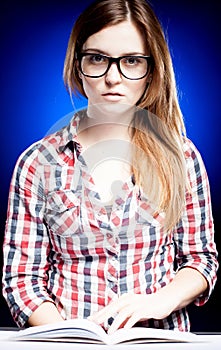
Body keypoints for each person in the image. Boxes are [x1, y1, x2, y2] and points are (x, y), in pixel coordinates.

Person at [2, 0, 218, 334]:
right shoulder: (36, 164)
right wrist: (71, 336)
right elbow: (21, 280)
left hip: (157, 339)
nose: (112, 77)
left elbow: (200, 260)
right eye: (98, 59)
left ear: (151, 71)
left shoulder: (182, 156)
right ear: (78, 65)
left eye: (131, 61)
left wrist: (160, 300)